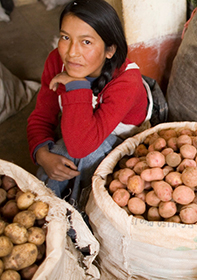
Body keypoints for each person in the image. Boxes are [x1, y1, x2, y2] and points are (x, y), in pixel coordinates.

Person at [27, 0, 150, 211]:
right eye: (66, 37)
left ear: (110, 49)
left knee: (76, 156)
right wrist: (42, 154)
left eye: (86, 42)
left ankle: (73, 214)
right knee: (56, 158)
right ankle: (42, 212)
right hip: (81, 132)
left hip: (120, 141)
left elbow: (81, 147)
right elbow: (42, 115)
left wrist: (77, 85)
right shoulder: (56, 60)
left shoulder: (126, 83)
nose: (72, 52)